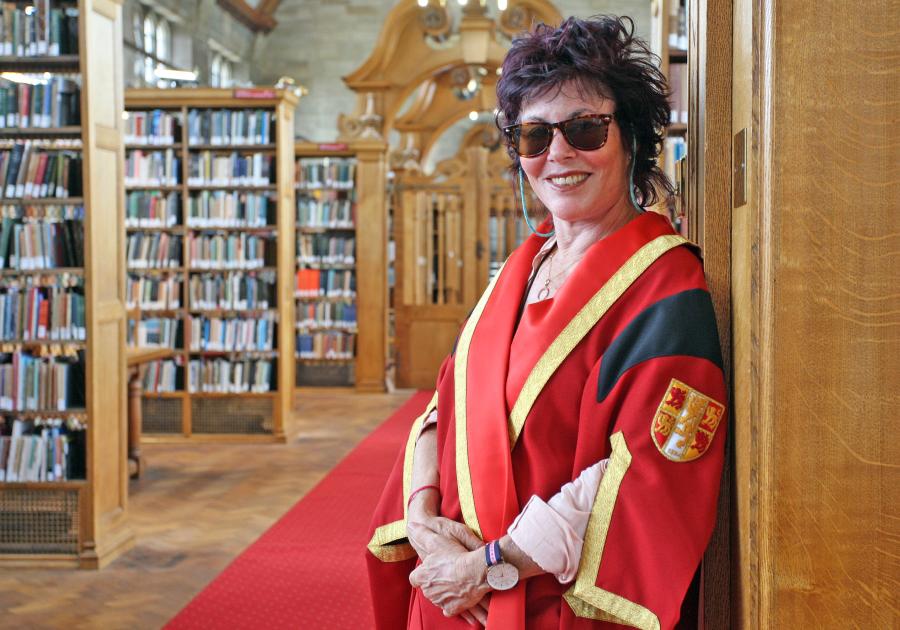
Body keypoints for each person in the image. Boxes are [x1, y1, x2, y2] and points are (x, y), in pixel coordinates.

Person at [366, 15, 727, 630]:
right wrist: (424, 521)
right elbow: (445, 403)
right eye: (534, 136)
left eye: (585, 129)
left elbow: (647, 469)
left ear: (632, 137)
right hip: (451, 589)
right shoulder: (518, 270)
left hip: (549, 602)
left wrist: (489, 567)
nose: (558, 154)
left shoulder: (667, 289)